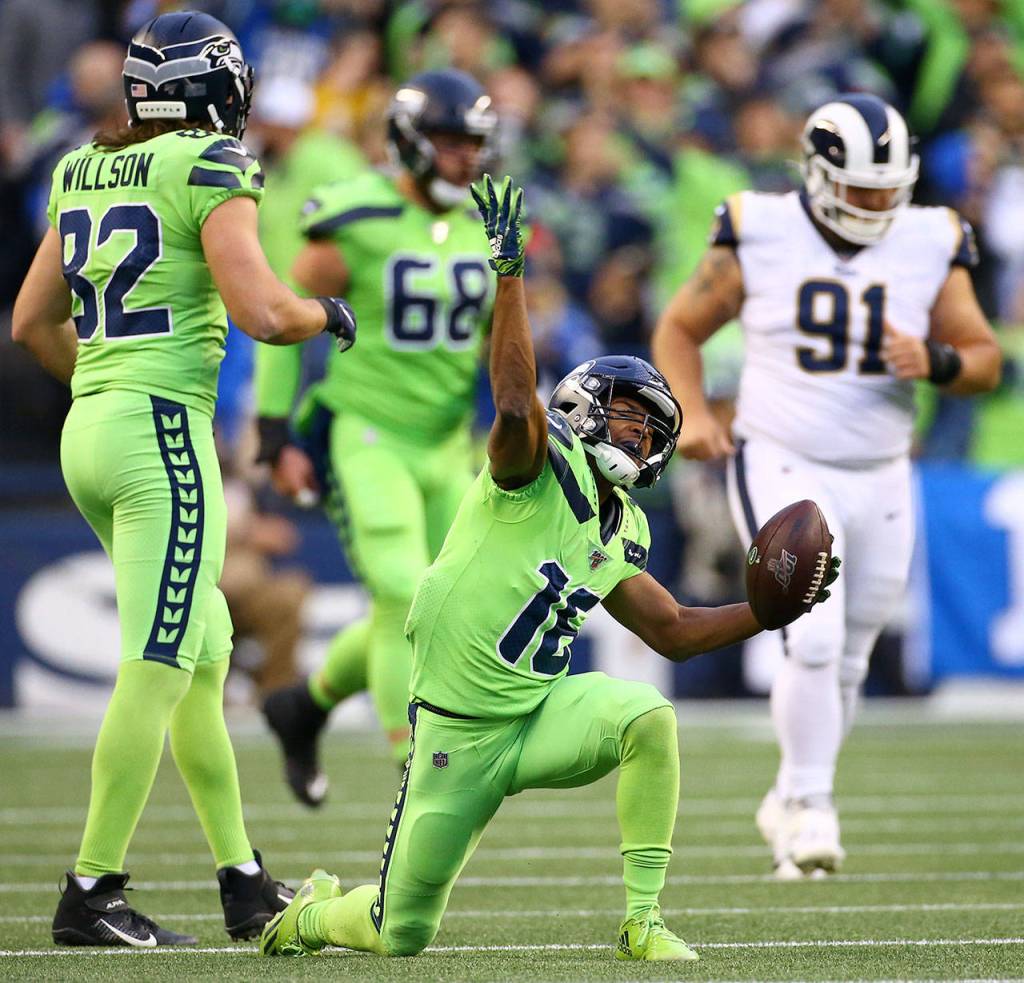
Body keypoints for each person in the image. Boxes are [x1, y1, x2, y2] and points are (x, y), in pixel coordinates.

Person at [258, 174, 837, 963]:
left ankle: (643, 918)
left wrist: (769, 612)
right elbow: (511, 399)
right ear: (584, 408)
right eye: (629, 419)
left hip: (537, 714)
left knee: (647, 717)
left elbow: (669, 628)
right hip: (456, 735)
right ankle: (312, 914)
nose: (639, 441)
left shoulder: (622, 522)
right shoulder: (537, 459)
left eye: (650, 432)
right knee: (401, 933)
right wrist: (510, 276)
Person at [11, 11, 356, 946]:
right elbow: (262, 311)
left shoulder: (81, 165)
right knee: (160, 663)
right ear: (218, 87)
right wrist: (327, 312)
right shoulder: (207, 164)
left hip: (93, 429)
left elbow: (30, 324)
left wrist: (103, 381)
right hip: (161, 432)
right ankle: (92, 889)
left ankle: (243, 879)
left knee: (201, 654)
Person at [651, 93, 1002, 879]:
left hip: (881, 467)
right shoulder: (761, 227)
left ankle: (791, 792)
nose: (879, 205)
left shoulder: (927, 236)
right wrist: (694, 411)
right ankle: (811, 805)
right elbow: (679, 328)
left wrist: (936, 361)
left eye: (890, 188)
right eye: (863, 189)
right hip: (782, 453)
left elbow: (983, 357)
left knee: (849, 656)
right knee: (808, 633)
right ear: (817, 175)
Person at [257, 69, 498, 805]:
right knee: (402, 590)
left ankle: (303, 704)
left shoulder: (490, 224)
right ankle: (418, 768)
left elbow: (504, 337)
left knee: (453, 603)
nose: (464, 158)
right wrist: (275, 433)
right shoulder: (355, 216)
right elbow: (285, 317)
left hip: (448, 440)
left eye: (473, 143)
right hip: (366, 432)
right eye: (449, 142)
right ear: (411, 142)